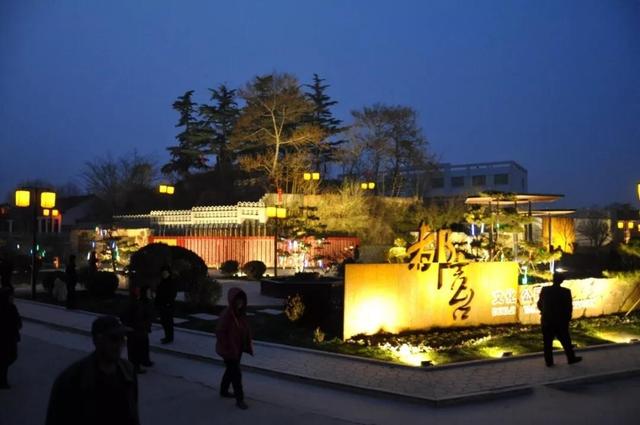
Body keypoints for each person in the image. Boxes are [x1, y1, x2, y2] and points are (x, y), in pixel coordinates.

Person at [46, 315, 139, 425]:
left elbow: (133, 414)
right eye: (114, 339)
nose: (119, 345)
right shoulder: (71, 379)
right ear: (97, 340)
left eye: (123, 339)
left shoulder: (128, 371)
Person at [216, 287, 253, 410]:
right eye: (237, 300)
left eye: (241, 300)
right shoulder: (227, 315)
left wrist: (246, 343)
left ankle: (223, 391)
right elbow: (220, 332)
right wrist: (228, 348)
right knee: (236, 374)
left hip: (238, 348)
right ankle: (240, 399)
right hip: (229, 350)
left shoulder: (240, 314)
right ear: (232, 300)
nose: (240, 303)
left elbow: (244, 329)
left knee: (230, 371)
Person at [537, 273, 583, 367]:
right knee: (566, 341)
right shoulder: (566, 292)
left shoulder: (545, 290)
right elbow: (569, 308)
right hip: (560, 321)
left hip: (547, 320)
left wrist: (544, 313)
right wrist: (567, 319)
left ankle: (549, 362)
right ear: (562, 281)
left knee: (547, 342)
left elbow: (539, 304)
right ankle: (571, 358)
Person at [121, 287, 153, 374]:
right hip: (134, 329)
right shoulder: (132, 303)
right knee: (134, 349)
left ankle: (140, 363)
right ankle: (134, 367)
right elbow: (126, 315)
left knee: (140, 347)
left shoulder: (138, 302)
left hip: (139, 328)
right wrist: (127, 326)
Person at [0, 287, 22, 389]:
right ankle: (2, 381)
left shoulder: (12, 307)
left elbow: (17, 321)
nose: (13, 298)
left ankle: (3, 380)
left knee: (8, 358)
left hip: (9, 337)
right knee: (7, 358)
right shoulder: (9, 308)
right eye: (11, 296)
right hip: (6, 338)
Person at [155, 264, 177, 344]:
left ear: (168, 273)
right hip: (161, 305)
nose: (164, 274)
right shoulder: (162, 282)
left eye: (165, 273)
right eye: (163, 273)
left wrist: (168, 302)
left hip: (168, 305)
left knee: (168, 322)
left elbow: (173, 294)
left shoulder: (171, 282)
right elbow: (159, 293)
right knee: (164, 321)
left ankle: (169, 337)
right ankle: (167, 336)